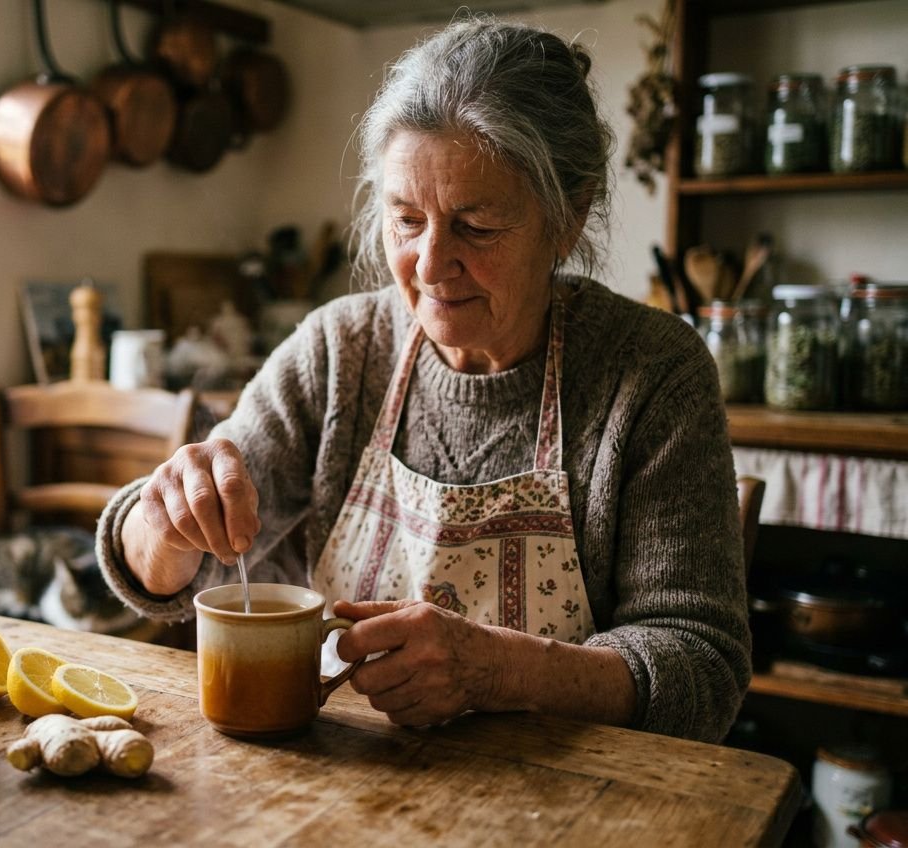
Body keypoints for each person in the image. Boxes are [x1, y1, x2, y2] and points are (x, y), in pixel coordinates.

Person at [97, 16, 750, 743]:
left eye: (476, 226)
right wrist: (166, 524)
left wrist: (499, 670)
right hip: (345, 774)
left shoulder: (653, 373)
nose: (431, 265)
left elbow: (703, 669)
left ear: (568, 217)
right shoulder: (340, 350)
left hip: (567, 788)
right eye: (407, 220)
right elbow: (157, 569)